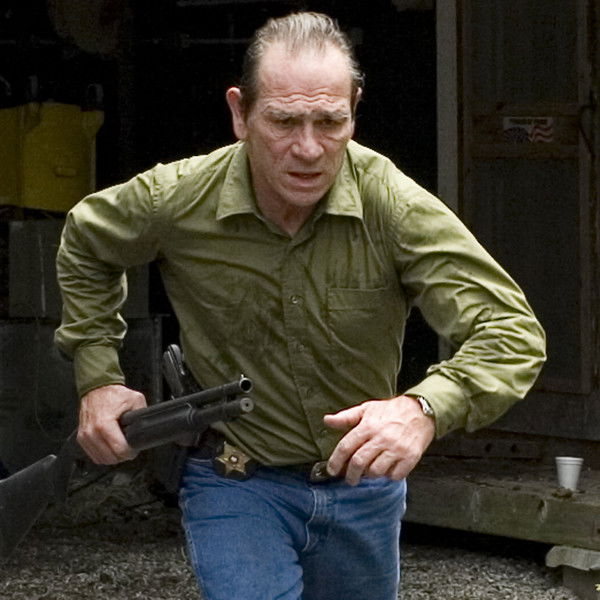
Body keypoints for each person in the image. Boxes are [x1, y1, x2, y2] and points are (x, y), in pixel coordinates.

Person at [55, 11, 546, 600]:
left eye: (330, 122)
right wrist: (99, 378)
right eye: (284, 121)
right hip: (236, 480)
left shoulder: (392, 206)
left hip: (363, 489)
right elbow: (87, 240)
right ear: (240, 114)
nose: (308, 149)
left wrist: (423, 409)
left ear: (354, 110)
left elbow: (510, 331)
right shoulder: (179, 198)